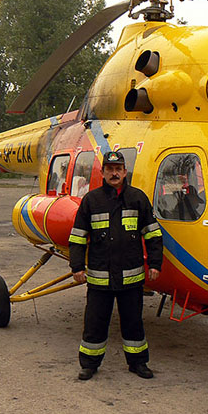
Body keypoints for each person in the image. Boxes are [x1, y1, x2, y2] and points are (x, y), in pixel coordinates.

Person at [69, 151, 163, 381]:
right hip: (100, 278)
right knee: (94, 323)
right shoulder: (91, 201)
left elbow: (153, 234)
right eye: (109, 169)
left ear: (125, 172)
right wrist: (77, 267)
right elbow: (78, 237)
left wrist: (155, 263)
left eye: (118, 169)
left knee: (133, 323)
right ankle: (89, 364)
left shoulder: (138, 199)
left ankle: (138, 363)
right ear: (102, 172)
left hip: (130, 278)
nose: (114, 173)